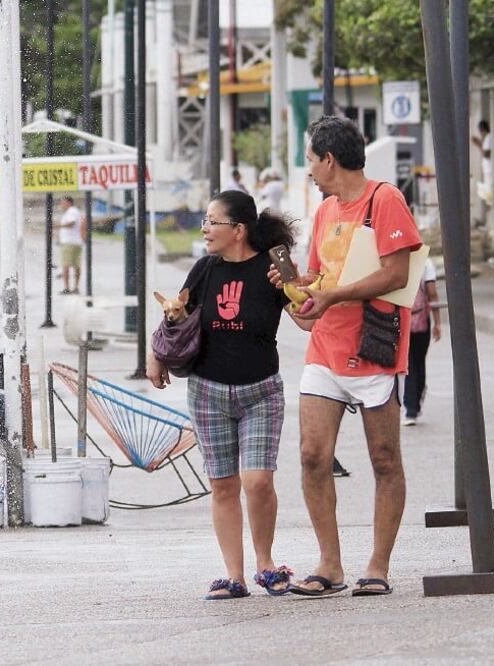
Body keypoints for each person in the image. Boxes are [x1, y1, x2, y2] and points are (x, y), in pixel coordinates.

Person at [269, 115, 422, 597]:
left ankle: (377, 566)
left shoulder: (386, 200)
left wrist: (335, 296)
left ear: (329, 160)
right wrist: (295, 293)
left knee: (384, 458)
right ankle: (329, 565)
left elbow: (397, 274)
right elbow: (318, 281)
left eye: (311, 160)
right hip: (325, 347)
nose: (309, 170)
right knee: (313, 455)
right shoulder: (325, 212)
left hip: (373, 347)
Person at [147, 189, 298, 600]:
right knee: (223, 486)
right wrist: (156, 356)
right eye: (205, 221)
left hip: (261, 392)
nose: (205, 228)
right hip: (208, 391)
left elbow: (306, 319)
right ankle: (236, 575)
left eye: (213, 221)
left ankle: (266, 563)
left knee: (257, 480)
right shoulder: (204, 269)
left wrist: (293, 282)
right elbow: (174, 317)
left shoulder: (270, 268)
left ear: (239, 229)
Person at [402, 261, 442, 426]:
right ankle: (415, 402)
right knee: (419, 362)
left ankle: (411, 410)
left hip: (402, 321)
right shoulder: (425, 262)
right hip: (422, 321)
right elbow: (432, 293)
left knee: (409, 364)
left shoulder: (398, 259)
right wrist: (437, 323)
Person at [54, 195, 84, 294]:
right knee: (76, 265)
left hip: (69, 243)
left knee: (66, 265)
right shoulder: (74, 211)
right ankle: (75, 287)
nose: (61, 205)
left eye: (63, 202)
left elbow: (72, 223)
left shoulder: (71, 211)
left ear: (69, 202)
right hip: (76, 241)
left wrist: (57, 226)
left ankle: (67, 288)